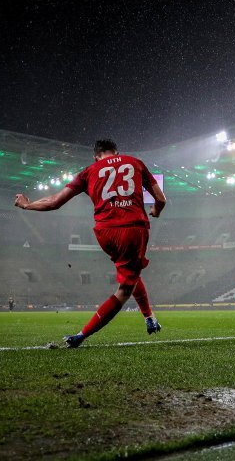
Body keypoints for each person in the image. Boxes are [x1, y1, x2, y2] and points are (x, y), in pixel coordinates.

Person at [14, 139, 166, 348]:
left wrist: (27, 205)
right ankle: (81, 335)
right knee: (125, 288)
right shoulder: (135, 162)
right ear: (116, 151)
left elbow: (54, 202)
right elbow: (161, 199)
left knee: (130, 271)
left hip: (105, 232)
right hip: (133, 228)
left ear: (96, 156)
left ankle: (149, 317)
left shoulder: (89, 170)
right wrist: (156, 211)